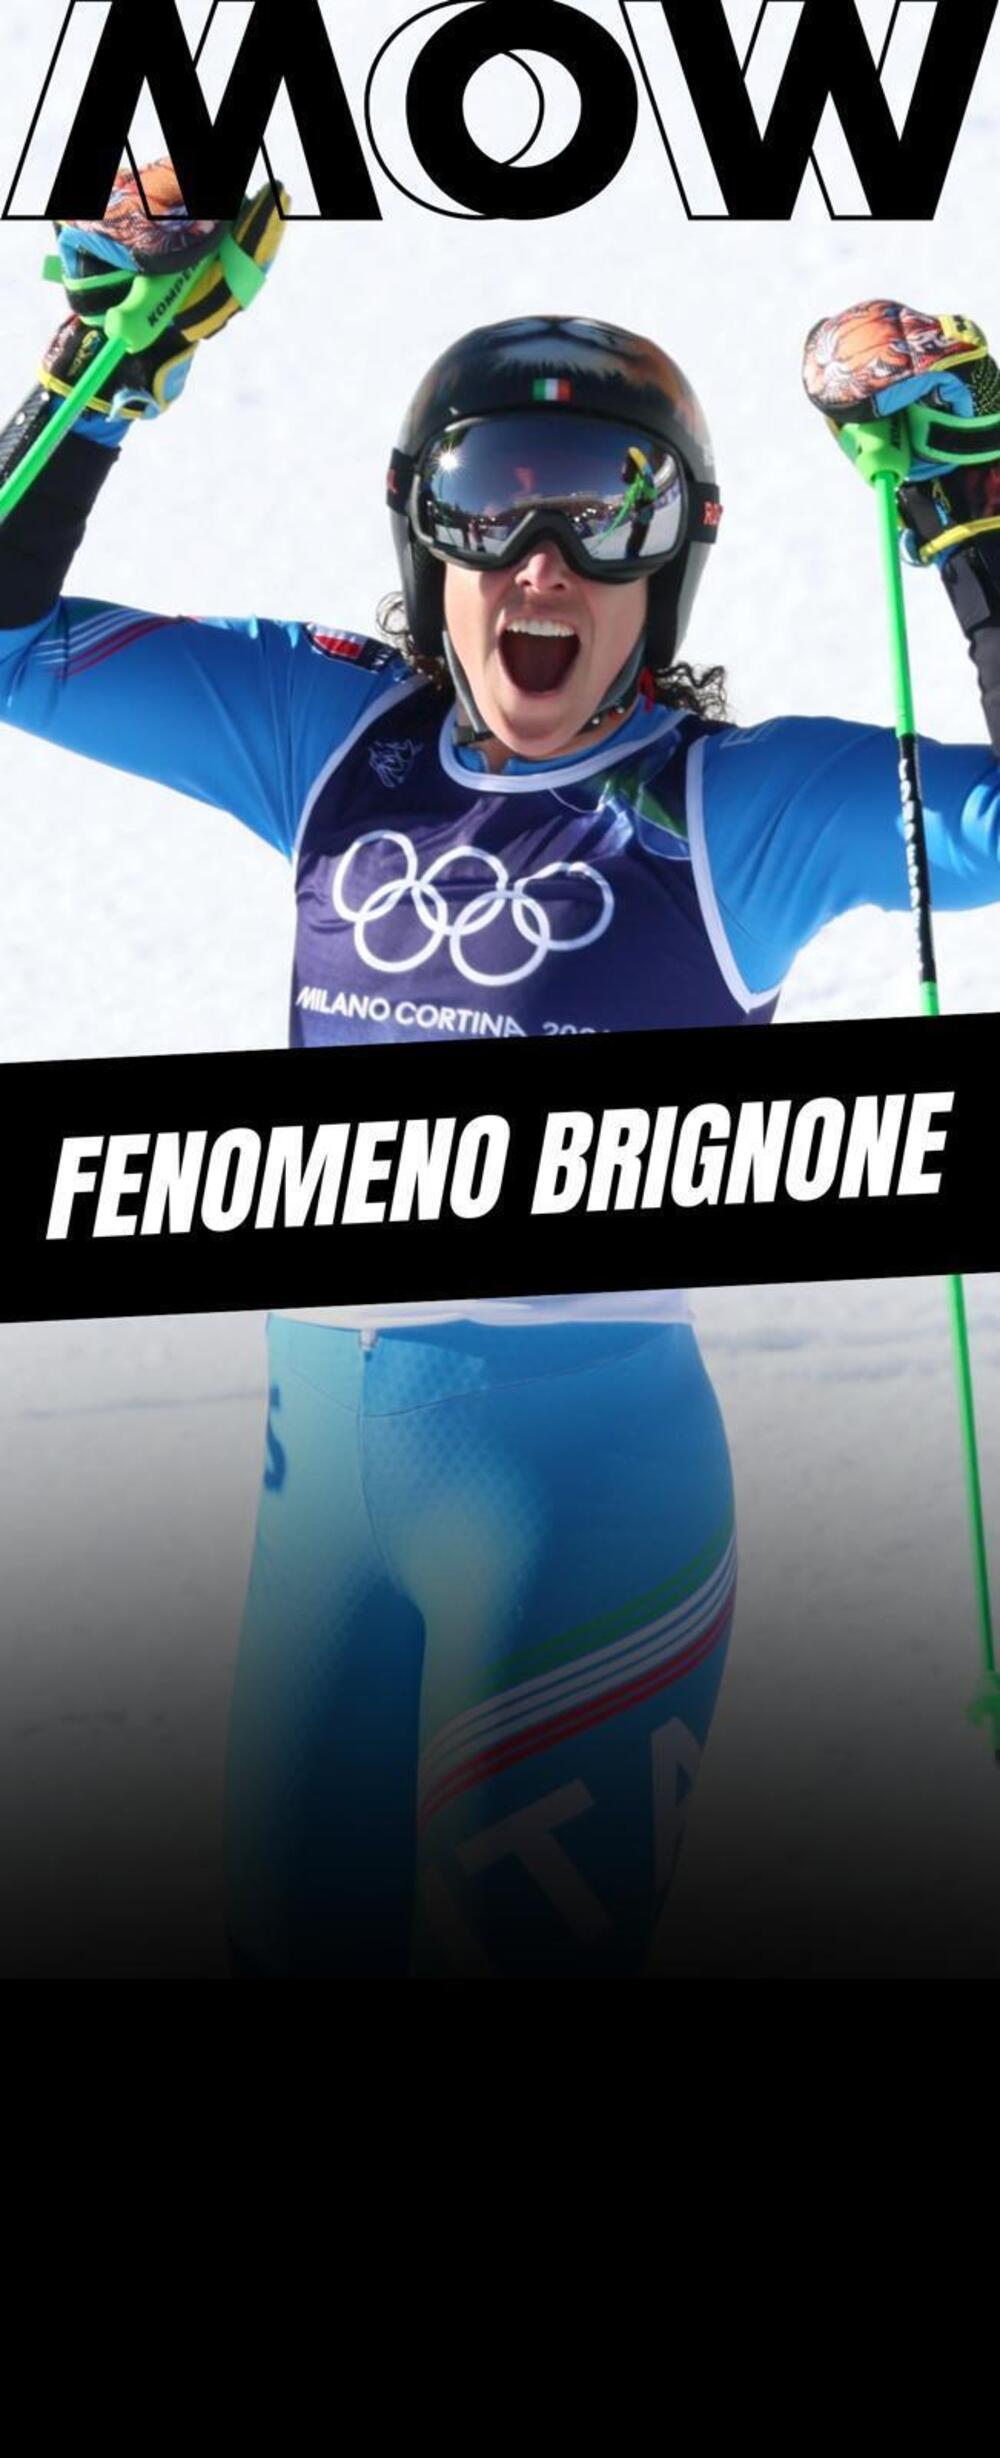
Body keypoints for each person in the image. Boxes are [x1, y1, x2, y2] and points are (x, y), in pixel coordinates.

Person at [3, 170, 1000, 1979]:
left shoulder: (740, 806)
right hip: (319, 1504)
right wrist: (102, 360)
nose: (544, 563)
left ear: (673, 556)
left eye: (607, 513)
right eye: (492, 502)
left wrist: (974, 517)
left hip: (582, 1509)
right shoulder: (328, 733)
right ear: (424, 535)